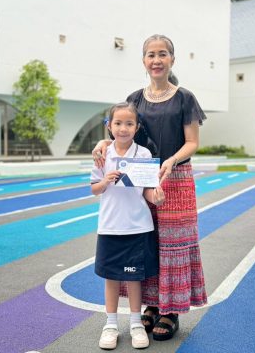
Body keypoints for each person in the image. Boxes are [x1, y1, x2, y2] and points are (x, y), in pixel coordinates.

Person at [92, 34, 207, 342]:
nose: (157, 60)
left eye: (162, 54)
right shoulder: (135, 99)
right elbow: (122, 130)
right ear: (143, 61)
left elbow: (193, 142)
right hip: (139, 178)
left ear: (172, 59)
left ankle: (171, 311)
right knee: (147, 243)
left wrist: (171, 161)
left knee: (174, 245)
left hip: (176, 178)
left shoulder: (185, 98)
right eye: (151, 55)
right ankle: (152, 305)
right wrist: (103, 142)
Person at [91, 101, 165, 350]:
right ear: (109, 126)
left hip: (138, 227)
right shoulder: (102, 155)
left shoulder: (143, 155)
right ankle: (110, 325)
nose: (123, 128)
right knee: (111, 278)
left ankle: (136, 324)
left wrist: (156, 197)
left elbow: (147, 191)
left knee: (135, 278)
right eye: (118, 123)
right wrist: (105, 182)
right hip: (110, 227)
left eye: (129, 123)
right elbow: (94, 189)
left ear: (137, 127)